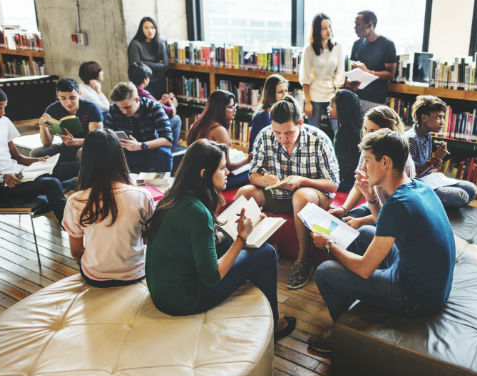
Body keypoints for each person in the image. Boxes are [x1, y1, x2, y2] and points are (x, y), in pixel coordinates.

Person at [307, 129, 456, 354]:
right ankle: (362, 304)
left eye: (367, 160)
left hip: (416, 296)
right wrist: (370, 196)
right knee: (364, 233)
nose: (363, 168)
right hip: (431, 284)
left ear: (385, 161)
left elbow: (365, 269)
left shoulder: (398, 204)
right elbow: (383, 223)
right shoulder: (417, 187)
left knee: (325, 271)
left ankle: (344, 332)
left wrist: (329, 245)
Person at [143, 139, 296, 339]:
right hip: (183, 300)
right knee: (266, 253)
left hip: (161, 291)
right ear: (203, 174)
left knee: (233, 242)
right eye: (222, 168)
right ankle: (273, 325)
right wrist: (241, 237)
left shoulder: (173, 196)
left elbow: (197, 241)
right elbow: (211, 277)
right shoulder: (197, 212)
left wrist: (241, 230)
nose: (228, 173)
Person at [236, 96, 339, 290]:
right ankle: (245, 249)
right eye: (277, 133)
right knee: (245, 193)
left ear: (300, 123)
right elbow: (253, 175)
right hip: (277, 196)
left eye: (289, 133)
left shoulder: (319, 139)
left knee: (301, 195)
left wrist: (302, 182)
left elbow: (333, 184)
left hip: (312, 198)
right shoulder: (264, 136)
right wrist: (262, 180)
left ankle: (303, 261)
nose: (283, 139)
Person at [62, 130, 154, 287]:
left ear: (86, 160)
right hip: (136, 272)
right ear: (119, 157)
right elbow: (148, 238)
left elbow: (76, 252)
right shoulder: (142, 195)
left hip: (95, 275)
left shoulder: (75, 201)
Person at [0, 84, 66, 223]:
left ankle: (64, 200)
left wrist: (38, 161)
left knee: (66, 171)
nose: (3, 113)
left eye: (4, 108)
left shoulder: (3, 122)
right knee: (52, 184)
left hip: (18, 173)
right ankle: (71, 230)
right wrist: (1, 177)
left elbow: (18, 158)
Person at [329, 105, 416, 228]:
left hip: (395, 215)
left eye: (373, 131)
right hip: (379, 203)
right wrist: (344, 209)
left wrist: (361, 221)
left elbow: (394, 213)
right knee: (344, 221)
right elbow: (358, 185)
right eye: (365, 129)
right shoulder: (370, 149)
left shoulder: (403, 163)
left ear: (387, 133)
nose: (366, 135)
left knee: (360, 229)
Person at [404, 96, 477, 208]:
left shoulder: (427, 134)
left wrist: (435, 162)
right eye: (438, 118)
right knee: (461, 196)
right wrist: (430, 164)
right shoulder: (411, 139)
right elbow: (411, 176)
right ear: (424, 117)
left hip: (427, 180)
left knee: (471, 189)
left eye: (443, 118)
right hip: (414, 186)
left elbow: (426, 169)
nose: (442, 122)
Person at [34, 78, 103, 180]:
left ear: (79, 93)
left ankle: (69, 174)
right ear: (58, 95)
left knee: (81, 152)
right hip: (66, 146)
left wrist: (75, 141)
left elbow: (98, 140)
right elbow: (47, 143)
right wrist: (42, 126)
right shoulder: (52, 109)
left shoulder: (91, 108)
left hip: (87, 147)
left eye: (72, 98)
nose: (68, 102)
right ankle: (63, 173)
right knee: (36, 153)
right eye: (63, 98)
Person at [186, 89, 253, 189]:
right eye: (231, 107)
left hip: (194, 176)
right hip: (209, 181)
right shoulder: (219, 130)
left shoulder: (197, 123)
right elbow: (228, 166)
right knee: (251, 172)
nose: (235, 109)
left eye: (235, 106)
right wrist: (248, 160)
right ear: (220, 109)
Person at [104, 81, 173, 173]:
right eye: (120, 108)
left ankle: (160, 184)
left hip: (149, 148)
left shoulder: (154, 107)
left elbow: (167, 140)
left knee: (164, 153)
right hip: (125, 151)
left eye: (127, 107)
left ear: (137, 100)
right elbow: (105, 134)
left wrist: (140, 146)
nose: (123, 111)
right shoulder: (114, 108)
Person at [299, 13, 345, 132]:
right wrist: (308, 102)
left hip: (332, 95)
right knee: (314, 132)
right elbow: (305, 77)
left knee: (338, 130)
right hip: (314, 96)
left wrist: (336, 97)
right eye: (324, 28)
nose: (328, 30)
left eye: (330, 27)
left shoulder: (337, 47)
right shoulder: (309, 49)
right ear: (317, 30)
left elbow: (340, 74)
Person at [348, 10, 397, 114]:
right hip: (356, 98)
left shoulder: (387, 45)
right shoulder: (356, 44)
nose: (355, 28)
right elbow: (353, 72)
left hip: (375, 101)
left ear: (370, 25)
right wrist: (352, 82)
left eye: (358, 24)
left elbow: (391, 74)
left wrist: (369, 72)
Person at [128, 62, 181, 147]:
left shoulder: (129, 90)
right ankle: (172, 149)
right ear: (145, 80)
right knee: (176, 119)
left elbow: (147, 105)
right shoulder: (144, 93)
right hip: (149, 130)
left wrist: (160, 101)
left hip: (136, 131)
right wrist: (173, 104)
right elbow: (170, 112)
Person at [328, 89, 362, 192]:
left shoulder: (343, 133)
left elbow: (343, 167)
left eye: (331, 106)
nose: (328, 108)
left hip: (348, 183)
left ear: (342, 108)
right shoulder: (357, 128)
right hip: (352, 180)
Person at [128, 16, 169, 97]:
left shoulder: (161, 43)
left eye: (153, 27)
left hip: (159, 81)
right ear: (141, 30)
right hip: (144, 83)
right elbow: (137, 68)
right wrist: (157, 64)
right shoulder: (136, 44)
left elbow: (165, 65)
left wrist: (145, 63)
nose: (150, 31)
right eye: (146, 28)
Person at [248, 74, 288, 152]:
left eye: (286, 91)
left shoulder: (281, 111)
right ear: (271, 94)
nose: (285, 95)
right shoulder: (262, 116)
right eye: (280, 92)